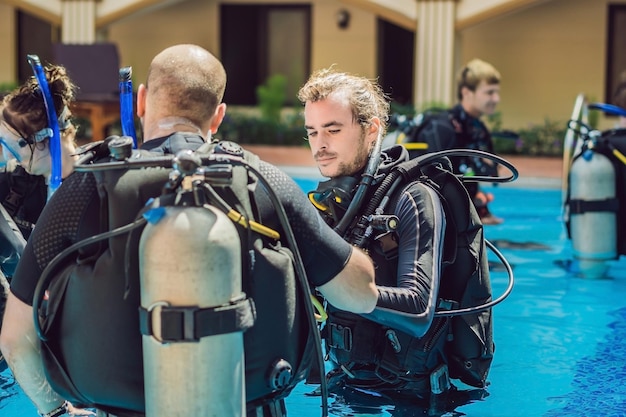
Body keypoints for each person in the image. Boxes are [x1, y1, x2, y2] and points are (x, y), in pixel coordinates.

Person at [0, 44, 378, 417]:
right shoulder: (265, 183)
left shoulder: (84, 189)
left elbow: (16, 340)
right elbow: (359, 296)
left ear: (142, 101)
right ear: (218, 117)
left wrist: (56, 412)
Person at [297, 67, 494, 409]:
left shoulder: (414, 199)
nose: (321, 145)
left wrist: (341, 286)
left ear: (371, 130)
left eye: (333, 130)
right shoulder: (334, 203)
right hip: (349, 385)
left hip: (412, 398)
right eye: (312, 132)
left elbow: (419, 310)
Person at [0, 64, 78, 363]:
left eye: (10, 146)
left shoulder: (97, 189)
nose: (7, 157)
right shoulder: (15, 182)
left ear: (45, 139)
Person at [405, 58, 503, 225]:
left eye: (496, 92)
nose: (496, 99)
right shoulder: (441, 128)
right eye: (489, 92)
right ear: (466, 92)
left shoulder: (477, 129)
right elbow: (434, 183)